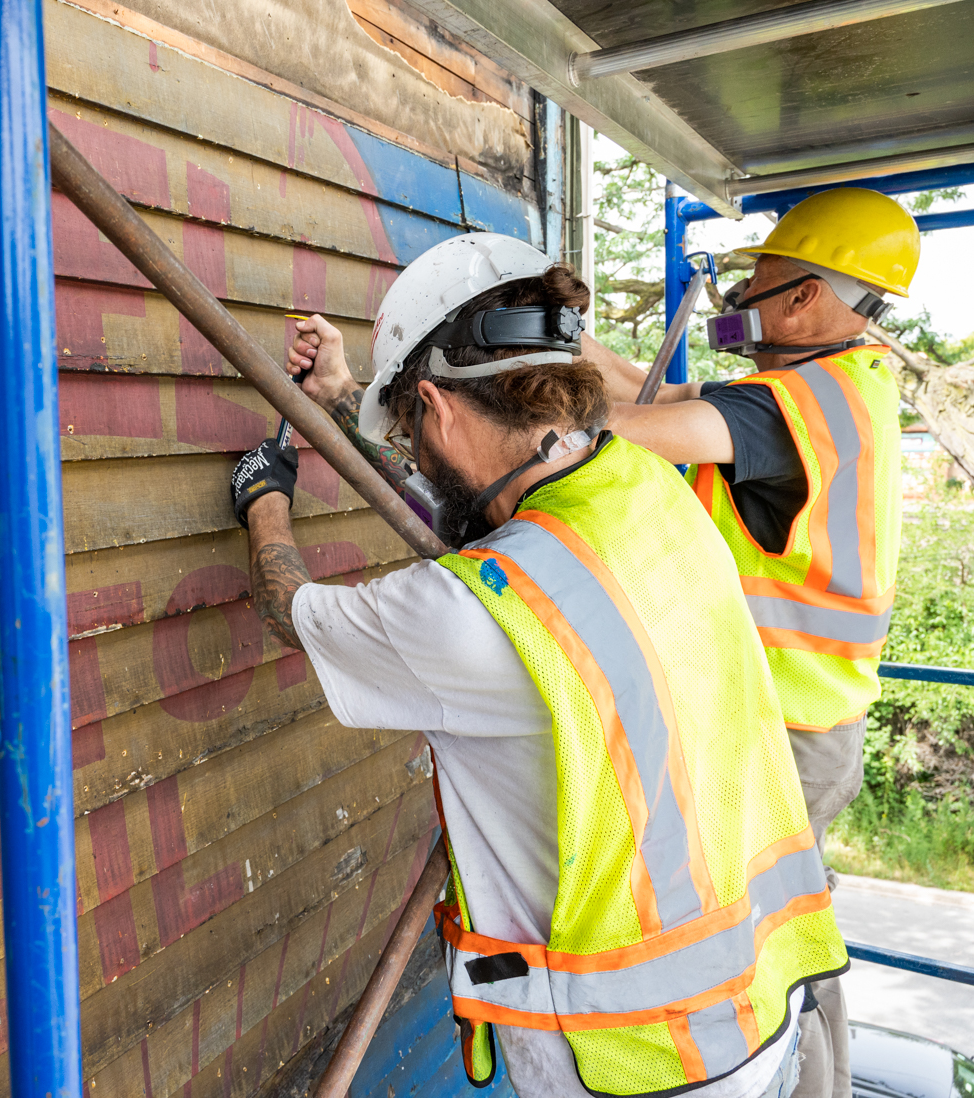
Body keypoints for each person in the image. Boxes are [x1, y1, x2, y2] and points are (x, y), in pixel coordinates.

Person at [231, 233, 846, 1098]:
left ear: (440, 409)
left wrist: (264, 497)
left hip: (640, 1063)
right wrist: (349, 400)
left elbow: (287, 607)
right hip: (762, 1012)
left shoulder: (471, 613)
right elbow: (493, 520)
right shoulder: (650, 489)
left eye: (414, 426)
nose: (415, 446)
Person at [589, 188, 919, 1098]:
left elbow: (636, 431)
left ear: (807, 297)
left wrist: (522, 398)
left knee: (767, 959)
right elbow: (675, 395)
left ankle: (804, 1087)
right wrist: (567, 341)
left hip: (785, 733)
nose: (748, 304)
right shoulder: (846, 386)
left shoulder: (789, 406)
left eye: (761, 286)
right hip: (815, 722)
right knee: (797, 935)